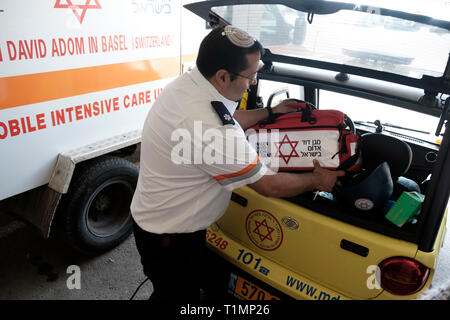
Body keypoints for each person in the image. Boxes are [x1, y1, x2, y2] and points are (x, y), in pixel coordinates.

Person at [130, 25, 345, 301]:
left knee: (175, 288)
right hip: (170, 238)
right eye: (251, 75)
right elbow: (268, 185)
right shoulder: (209, 128)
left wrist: (269, 112)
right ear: (222, 76)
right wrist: (319, 180)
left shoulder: (191, 85)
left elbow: (227, 119)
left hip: (161, 221)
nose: (254, 82)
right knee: (178, 296)